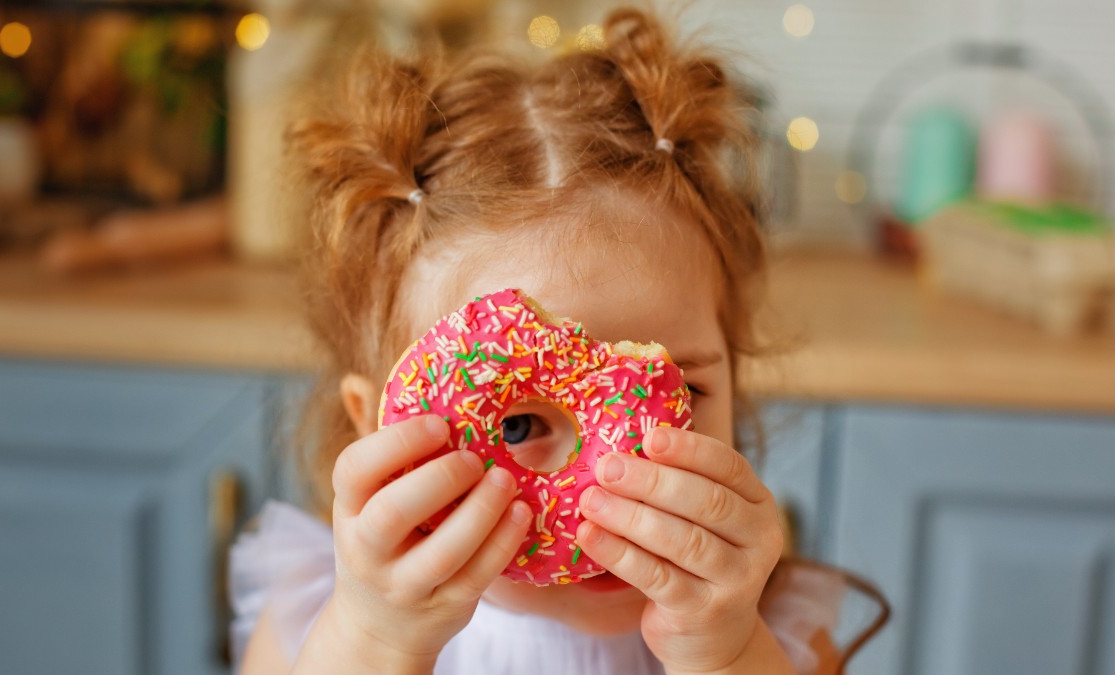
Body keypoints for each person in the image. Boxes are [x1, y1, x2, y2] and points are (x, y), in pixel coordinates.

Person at [231, 8, 886, 674]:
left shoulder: (775, 633)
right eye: (518, 423)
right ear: (373, 426)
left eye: (678, 391)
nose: (612, 475)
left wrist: (728, 652)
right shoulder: (324, 625)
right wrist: (376, 642)